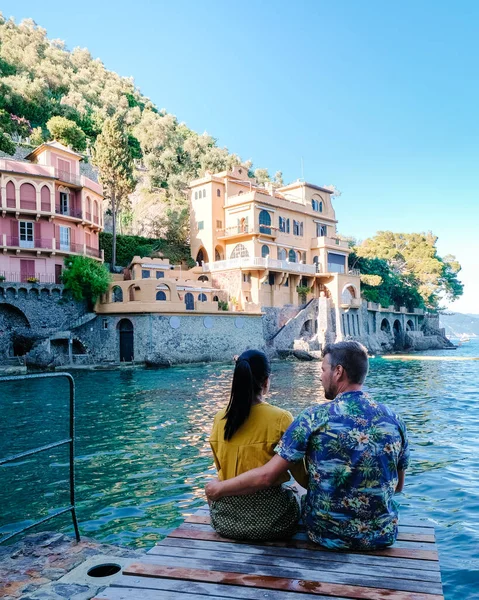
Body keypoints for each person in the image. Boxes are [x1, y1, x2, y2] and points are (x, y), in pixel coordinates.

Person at [206, 341, 410, 550]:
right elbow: (398, 486)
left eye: (323, 369)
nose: (320, 376)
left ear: (338, 372)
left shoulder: (312, 418)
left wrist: (218, 488)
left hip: (324, 534)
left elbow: (268, 475)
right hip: (380, 535)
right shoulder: (395, 420)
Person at [208, 349, 308, 541]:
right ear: (266, 382)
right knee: (299, 491)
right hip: (274, 521)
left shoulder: (220, 419)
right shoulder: (281, 418)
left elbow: (222, 470)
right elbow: (302, 477)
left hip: (226, 520)